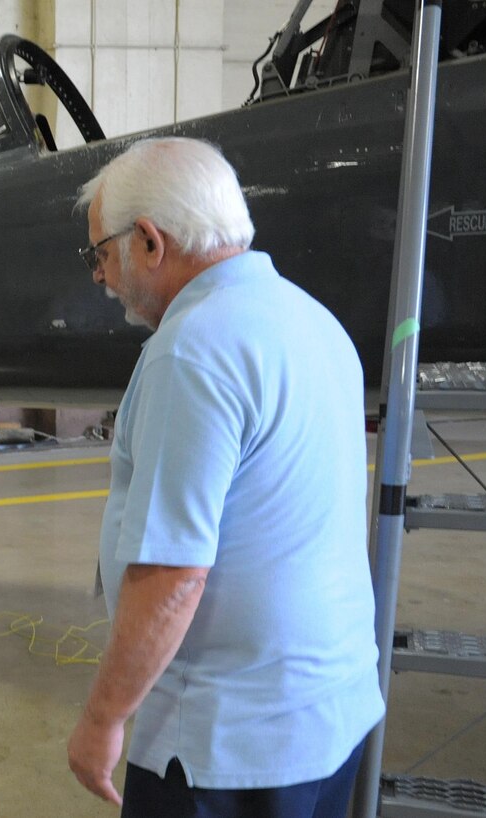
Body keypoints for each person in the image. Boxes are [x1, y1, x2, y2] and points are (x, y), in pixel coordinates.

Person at [67, 137, 385, 817]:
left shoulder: (194, 349)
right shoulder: (312, 319)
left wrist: (102, 720)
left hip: (227, 744)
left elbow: (174, 575)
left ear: (149, 242)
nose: (99, 275)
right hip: (327, 713)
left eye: (101, 253)